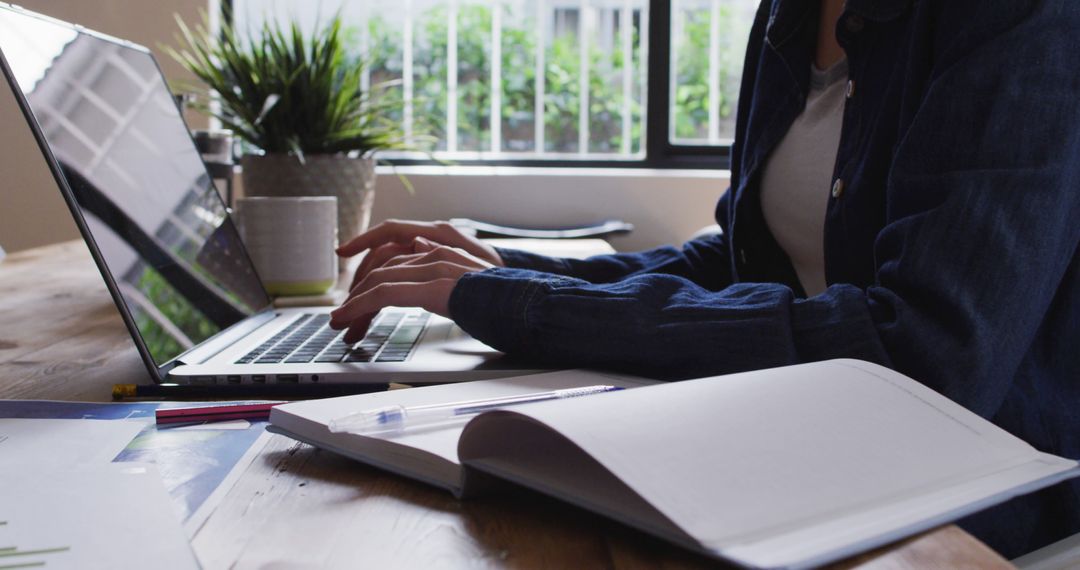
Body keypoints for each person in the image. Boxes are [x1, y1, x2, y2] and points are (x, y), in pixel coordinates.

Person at [329, 0, 1080, 558]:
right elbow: (739, 256)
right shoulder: (789, 16)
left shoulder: (1017, 18)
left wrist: (524, 303)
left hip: (971, 505)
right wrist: (509, 270)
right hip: (814, 449)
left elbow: (921, 350)